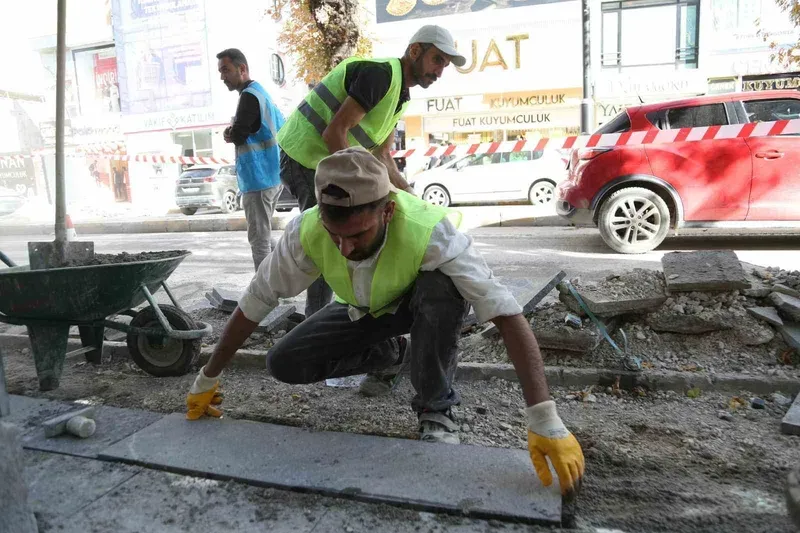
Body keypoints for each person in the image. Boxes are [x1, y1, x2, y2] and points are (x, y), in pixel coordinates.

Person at [185, 147, 585, 497]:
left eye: (358, 235)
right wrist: (207, 377)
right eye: (335, 235)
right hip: (364, 310)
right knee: (284, 363)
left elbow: (505, 313)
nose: (345, 248)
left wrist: (544, 418)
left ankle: (436, 409)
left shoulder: (431, 231)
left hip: (422, 305)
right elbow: (255, 301)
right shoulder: (306, 230)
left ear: (387, 210)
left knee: (441, 288)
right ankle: (394, 354)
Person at [276, 24, 466, 318]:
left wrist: (409, 194)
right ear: (415, 50)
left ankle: (353, 314)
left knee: (354, 232)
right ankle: (317, 322)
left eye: (445, 65)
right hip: (303, 158)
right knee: (332, 236)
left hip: (317, 160)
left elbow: (382, 156)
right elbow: (334, 133)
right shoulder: (381, 75)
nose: (440, 71)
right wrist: (360, 187)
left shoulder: (399, 95)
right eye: (437, 60)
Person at [218, 48, 285, 271]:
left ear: (242, 69)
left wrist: (231, 132)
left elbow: (238, 135)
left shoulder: (248, 96)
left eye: (226, 70)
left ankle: (265, 290)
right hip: (271, 175)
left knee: (259, 240)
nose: (222, 77)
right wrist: (233, 130)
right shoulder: (260, 92)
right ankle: (282, 278)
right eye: (220, 72)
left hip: (258, 178)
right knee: (264, 235)